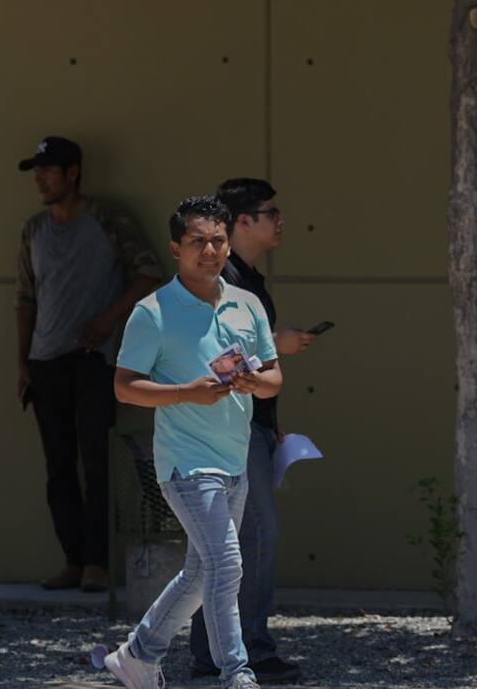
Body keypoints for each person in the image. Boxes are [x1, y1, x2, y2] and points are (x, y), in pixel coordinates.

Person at [104, 195, 281, 689]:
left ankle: (138, 654)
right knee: (227, 562)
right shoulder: (152, 311)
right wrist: (186, 393)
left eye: (218, 240)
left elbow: (274, 377)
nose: (210, 250)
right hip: (185, 463)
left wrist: (255, 384)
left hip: (234, 459)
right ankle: (237, 673)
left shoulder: (247, 303)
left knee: (202, 571)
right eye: (197, 241)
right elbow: (124, 385)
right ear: (176, 248)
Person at [15, 136, 162, 592]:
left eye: (48, 170)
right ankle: (72, 561)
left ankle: (98, 563)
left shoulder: (108, 218)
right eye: (36, 171)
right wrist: (21, 360)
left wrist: (107, 319)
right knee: (57, 465)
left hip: (95, 360)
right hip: (44, 361)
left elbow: (149, 273)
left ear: (73, 172)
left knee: (98, 462)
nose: (39, 179)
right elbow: (24, 297)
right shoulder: (33, 229)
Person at [187, 179, 315, 685]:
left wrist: (272, 419)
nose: (280, 219)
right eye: (270, 212)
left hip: (250, 426)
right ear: (243, 221)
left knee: (226, 544)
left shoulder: (249, 281)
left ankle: (212, 651)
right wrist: (275, 348)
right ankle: (248, 650)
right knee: (256, 537)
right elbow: (216, 356)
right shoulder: (222, 281)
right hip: (225, 431)